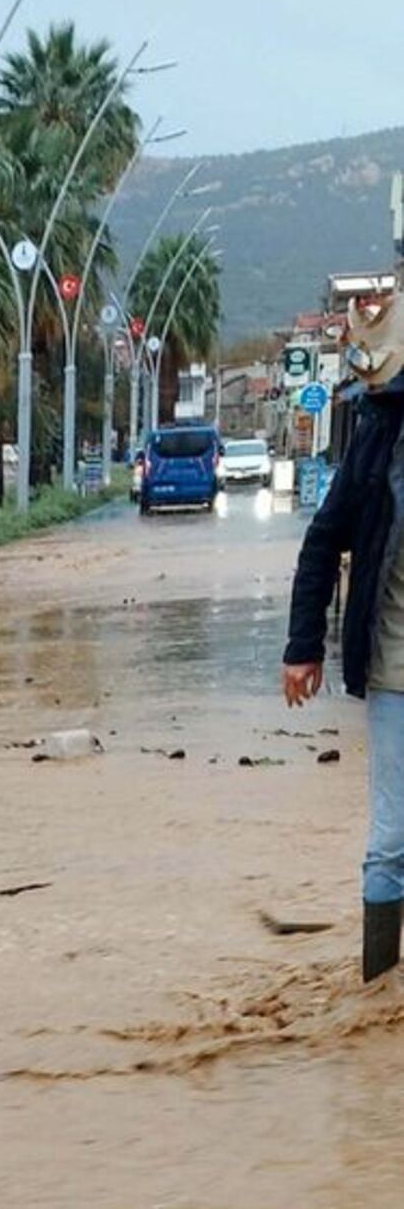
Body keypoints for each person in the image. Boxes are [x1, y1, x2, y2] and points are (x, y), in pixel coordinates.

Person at [284, 292, 404, 981]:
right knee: (391, 842)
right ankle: (376, 990)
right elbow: (323, 541)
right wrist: (304, 647)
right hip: (395, 667)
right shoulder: (379, 441)